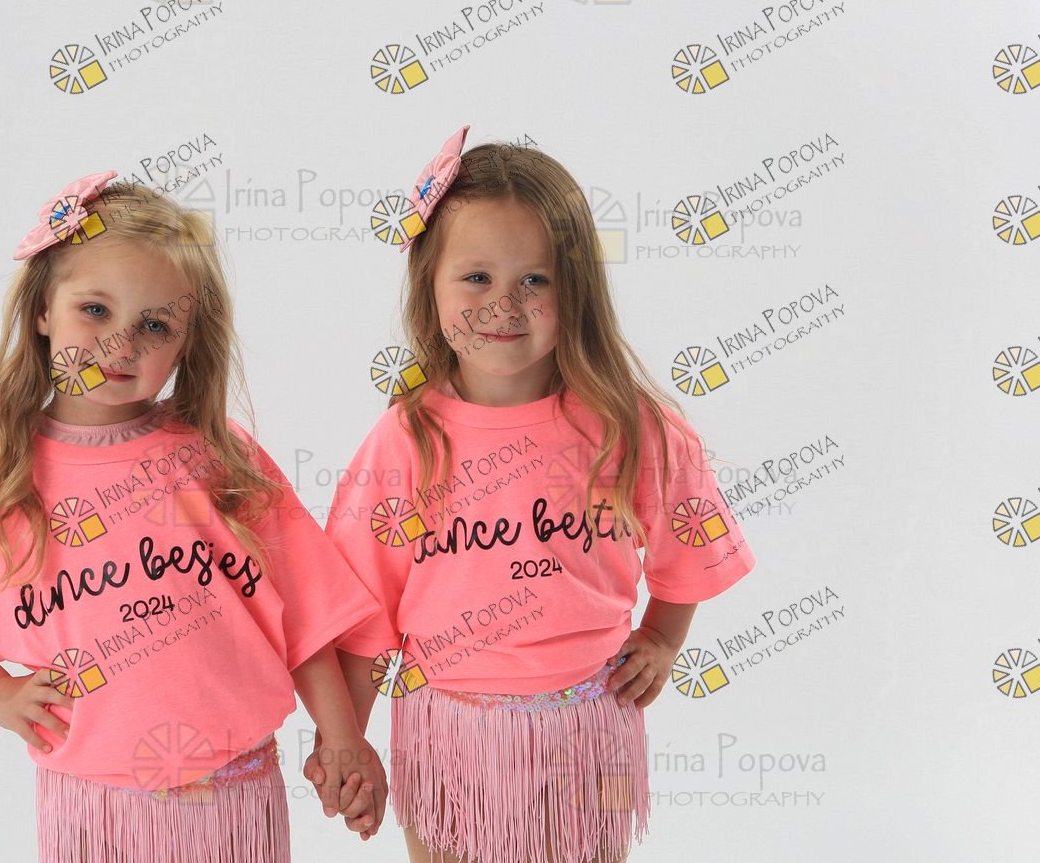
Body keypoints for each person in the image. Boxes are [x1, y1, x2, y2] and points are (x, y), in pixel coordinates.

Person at [0, 170, 387, 861]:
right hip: (91, 800)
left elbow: (303, 613)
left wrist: (342, 737)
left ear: (187, 341)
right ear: (43, 309)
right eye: (95, 310)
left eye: (154, 326)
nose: (122, 345)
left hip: (234, 790)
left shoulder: (220, 457)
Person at [314, 127, 757, 863]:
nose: (504, 304)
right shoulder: (405, 442)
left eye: (536, 281)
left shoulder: (628, 427)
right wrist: (347, 743)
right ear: (430, 284)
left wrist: (661, 637)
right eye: (476, 277)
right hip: (447, 731)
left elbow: (692, 543)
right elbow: (362, 615)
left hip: (585, 728)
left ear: (575, 289)